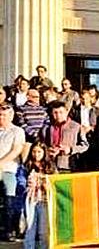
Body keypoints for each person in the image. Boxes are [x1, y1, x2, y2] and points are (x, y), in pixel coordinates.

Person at [38, 101, 89, 172]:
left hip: (69, 165)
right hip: (51, 165)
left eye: (61, 112)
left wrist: (70, 150)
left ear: (66, 112)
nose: (58, 115)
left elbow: (85, 145)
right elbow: (42, 145)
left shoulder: (76, 127)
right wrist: (48, 151)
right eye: (55, 113)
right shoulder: (46, 128)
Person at [23, 142, 57, 249]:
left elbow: (56, 183)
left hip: (45, 201)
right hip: (31, 201)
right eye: (34, 151)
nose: (36, 154)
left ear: (44, 153)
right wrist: (26, 185)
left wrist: (48, 185)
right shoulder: (27, 166)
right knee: (30, 228)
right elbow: (20, 181)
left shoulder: (50, 167)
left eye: (39, 152)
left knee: (44, 231)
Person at [0, 103, 26, 241]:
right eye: (0, 114)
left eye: (4, 115)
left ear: (11, 116)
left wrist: (0, 164)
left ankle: (9, 230)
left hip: (9, 169)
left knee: (9, 197)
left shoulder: (17, 131)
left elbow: (17, 149)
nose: (1, 117)